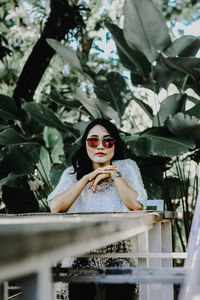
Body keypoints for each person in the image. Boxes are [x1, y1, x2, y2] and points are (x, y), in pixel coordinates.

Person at [47, 118, 148, 300]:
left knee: (119, 284)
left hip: (119, 252)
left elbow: (136, 205)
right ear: (86, 144)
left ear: (114, 145)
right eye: (93, 141)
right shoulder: (71, 174)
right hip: (80, 253)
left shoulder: (127, 167)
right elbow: (55, 207)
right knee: (81, 285)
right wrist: (86, 178)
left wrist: (114, 174)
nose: (100, 146)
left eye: (107, 141)